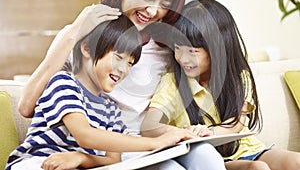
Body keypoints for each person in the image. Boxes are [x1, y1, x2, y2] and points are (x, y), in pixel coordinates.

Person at [17, 0, 228, 169]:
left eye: (165, 4)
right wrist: (74, 31)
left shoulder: (167, 48)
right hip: (110, 151)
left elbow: (162, 110)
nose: (152, 11)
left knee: (207, 155)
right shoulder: (85, 38)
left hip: (147, 145)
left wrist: (181, 132)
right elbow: (27, 107)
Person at [6, 14, 196, 170]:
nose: (123, 69)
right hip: (38, 162)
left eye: (130, 63)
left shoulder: (111, 109)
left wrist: (79, 157)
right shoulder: (63, 82)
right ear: (87, 49)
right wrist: (156, 143)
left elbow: (113, 160)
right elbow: (84, 135)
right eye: (118, 57)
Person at [141, 0, 300, 170]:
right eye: (178, 48)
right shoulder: (173, 83)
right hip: (213, 160)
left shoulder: (238, 76)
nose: (183, 58)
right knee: (258, 168)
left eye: (192, 51)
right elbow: (149, 126)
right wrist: (182, 133)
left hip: (248, 149)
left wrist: (211, 132)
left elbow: (237, 122)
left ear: (217, 48)